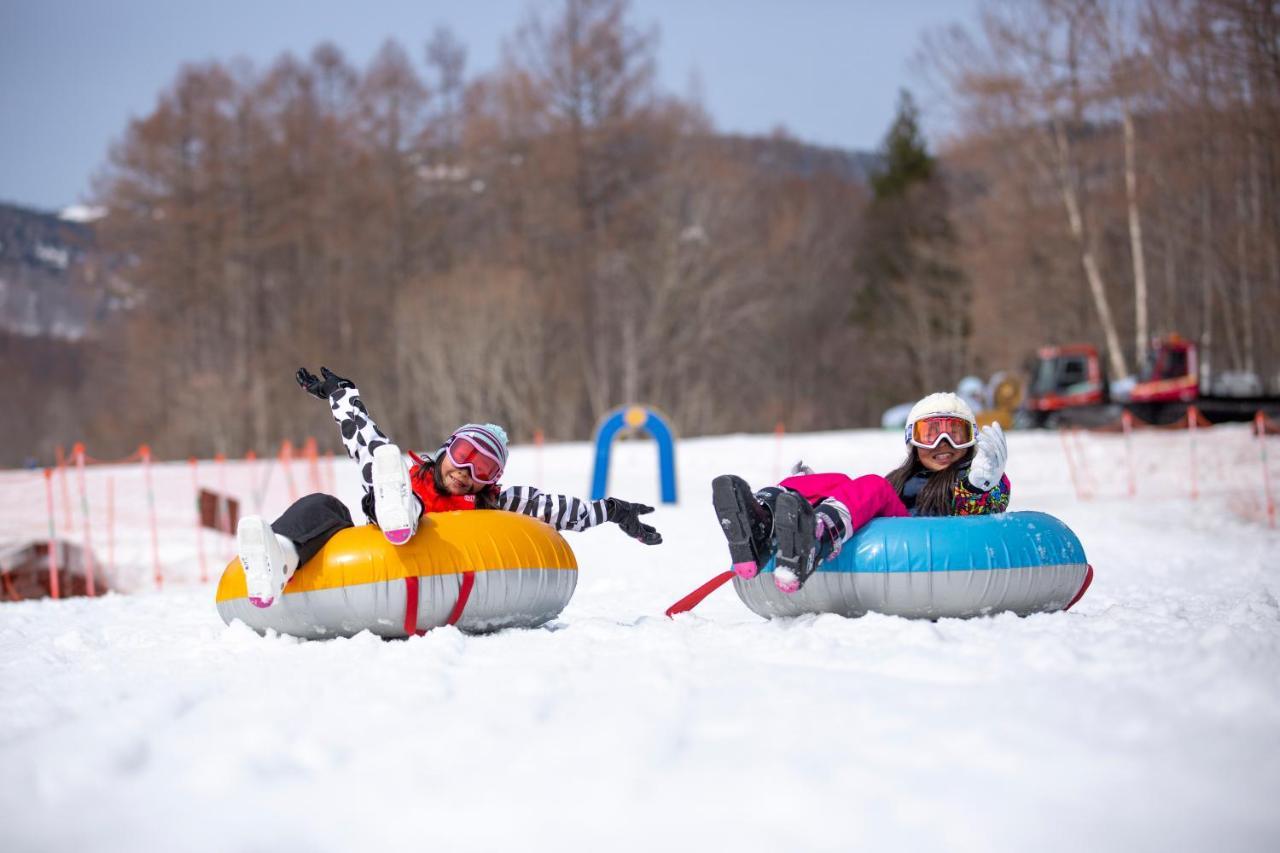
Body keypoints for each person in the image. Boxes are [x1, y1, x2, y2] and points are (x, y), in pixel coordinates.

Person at [236, 366, 663, 608]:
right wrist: (341, 394)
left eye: (484, 468)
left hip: (436, 549)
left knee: (397, 485)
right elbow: (364, 437)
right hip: (386, 524)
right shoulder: (406, 474)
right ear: (445, 450)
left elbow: (558, 509)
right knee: (327, 504)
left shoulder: (494, 504)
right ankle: (283, 556)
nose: (467, 471)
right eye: (463, 454)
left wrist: (615, 510)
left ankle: (403, 514)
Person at [712, 392, 1010, 594]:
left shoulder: (977, 478)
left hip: (927, 543)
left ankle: (817, 537)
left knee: (873, 486)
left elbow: (987, 515)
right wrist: (810, 496)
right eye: (930, 435)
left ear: (971, 442)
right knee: (839, 481)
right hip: (898, 528)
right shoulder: (902, 479)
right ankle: (766, 520)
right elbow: (864, 501)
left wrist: (979, 487)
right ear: (912, 442)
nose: (943, 444)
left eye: (955, 435)